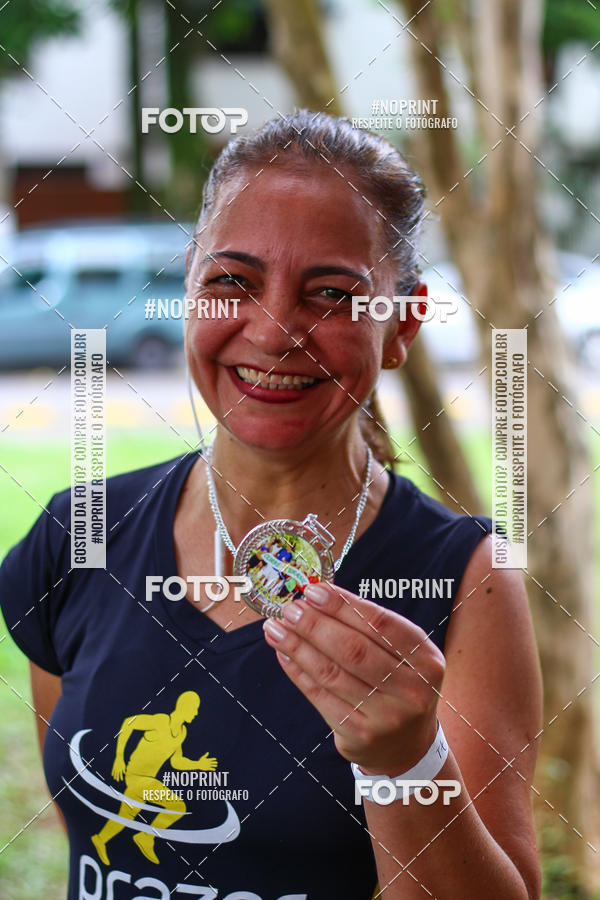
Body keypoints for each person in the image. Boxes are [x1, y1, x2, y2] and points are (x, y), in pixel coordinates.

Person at [0, 110, 542, 899]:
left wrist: (406, 764)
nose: (275, 329)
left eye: (330, 294)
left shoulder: (470, 580)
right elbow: (84, 815)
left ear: (402, 326)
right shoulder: (79, 535)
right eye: (233, 282)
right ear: (189, 286)